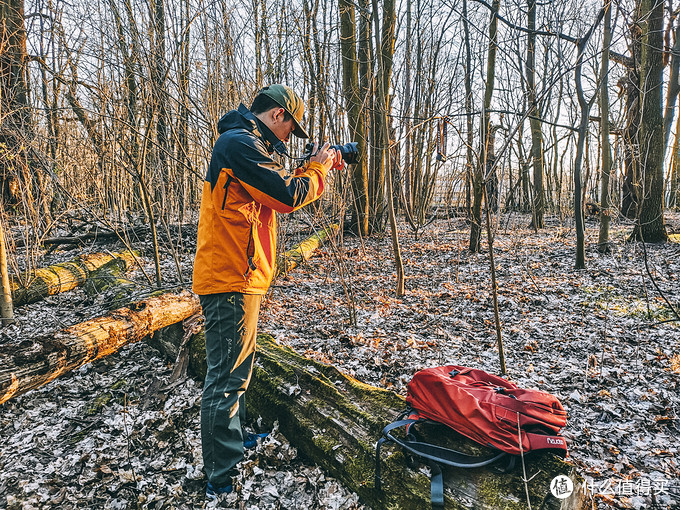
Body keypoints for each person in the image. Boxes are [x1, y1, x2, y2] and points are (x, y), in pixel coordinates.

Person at [192, 84, 342, 499]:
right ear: (277, 115)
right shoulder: (239, 143)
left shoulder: (241, 144)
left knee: (236, 372)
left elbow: (266, 194)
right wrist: (317, 170)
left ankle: (232, 445)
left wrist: (314, 167)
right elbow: (288, 197)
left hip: (237, 274)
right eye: (288, 130)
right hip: (231, 277)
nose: (285, 141)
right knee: (226, 377)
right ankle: (220, 477)